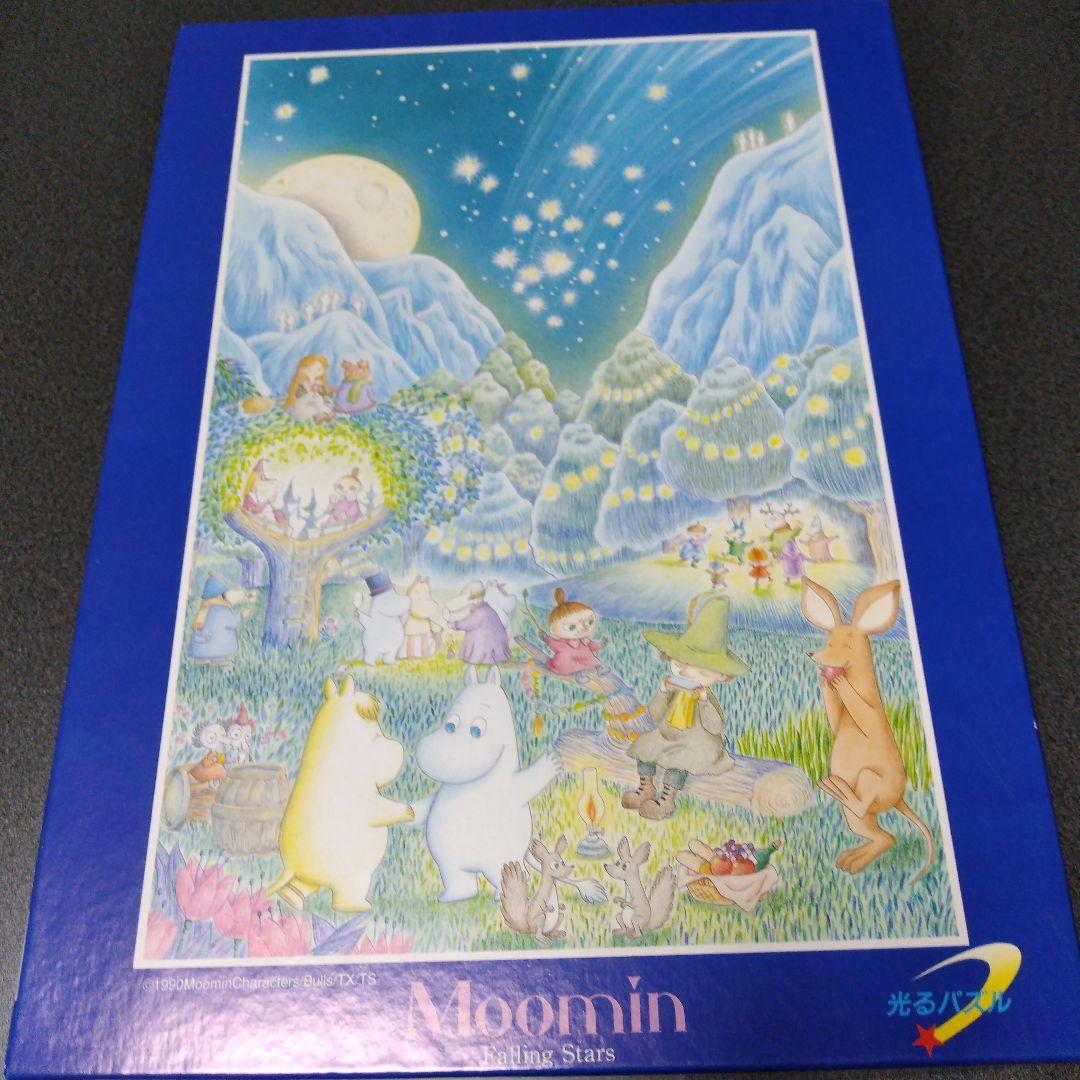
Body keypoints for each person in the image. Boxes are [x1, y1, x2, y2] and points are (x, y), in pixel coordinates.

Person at [622, 592, 750, 820]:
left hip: (696, 742)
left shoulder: (704, 696)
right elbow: (655, 714)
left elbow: (715, 726)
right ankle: (646, 787)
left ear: (721, 675)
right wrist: (662, 692)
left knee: (680, 761)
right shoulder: (674, 689)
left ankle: (667, 799)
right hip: (667, 735)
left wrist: (704, 701)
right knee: (644, 747)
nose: (687, 673)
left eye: (700, 671)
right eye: (680, 664)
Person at [443, 581, 510, 666]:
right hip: (496, 646)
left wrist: (451, 624)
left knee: (473, 636)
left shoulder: (479, 612)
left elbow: (466, 624)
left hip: (486, 647)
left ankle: (476, 661)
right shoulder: (488, 609)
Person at [188, 575, 250, 665]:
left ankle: (201, 659)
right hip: (217, 645)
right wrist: (242, 615)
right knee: (219, 639)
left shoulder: (204, 608)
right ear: (220, 595)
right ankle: (219, 659)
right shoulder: (222, 609)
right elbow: (232, 622)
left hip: (201, 645)